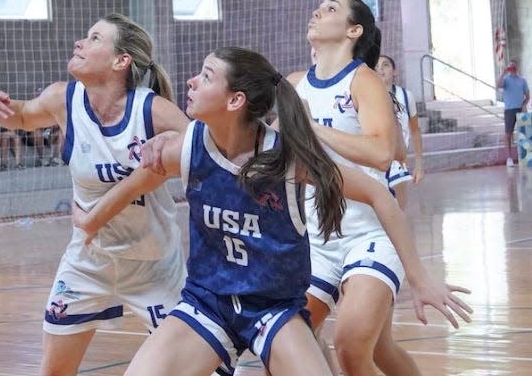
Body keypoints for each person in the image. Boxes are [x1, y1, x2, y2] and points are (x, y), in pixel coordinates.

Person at [72, 46, 472, 376]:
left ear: (235, 100)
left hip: (273, 309)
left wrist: (419, 279)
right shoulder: (186, 148)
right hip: (208, 302)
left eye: (206, 76)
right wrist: (90, 220)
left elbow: (379, 194)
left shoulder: (288, 158)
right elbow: (136, 183)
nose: (191, 81)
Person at [0, 13, 190, 376]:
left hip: (153, 265)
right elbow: (25, 115)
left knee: (201, 366)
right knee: (54, 371)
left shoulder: (152, 109)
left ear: (120, 61)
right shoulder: (64, 98)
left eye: (94, 38)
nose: (80, 42)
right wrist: (0, 109)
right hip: (87, 262)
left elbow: (205, 149)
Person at [287, 0, 471, 376]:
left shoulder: (363, 80)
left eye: (332, 8)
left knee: (353, 346)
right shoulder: (294, 85)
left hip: (368, 233)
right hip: (315, 241)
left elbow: (383, 152)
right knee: (295, 341)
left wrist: (312, 128)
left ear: (354, 30)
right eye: (319, 5)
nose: (317, 10)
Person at [375, 54, 425, 209]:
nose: (380, 69)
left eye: (385, 65)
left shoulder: (405, 96)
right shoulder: (367, 97)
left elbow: (415, 130)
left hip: (397, 163)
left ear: (394, 71)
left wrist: (419, 165)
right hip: (374, 162)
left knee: (398, 213)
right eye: (376, 66)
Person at [497, 59, 529, 167]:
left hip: (520, 109)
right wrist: (503, 72)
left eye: (514, 66)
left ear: (517, 67)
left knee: (525, 133)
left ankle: (526, 157)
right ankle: (509, 158)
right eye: (510, 66)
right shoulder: (505, 79)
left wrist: (524, 104)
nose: (512, 68)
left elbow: (528, 95)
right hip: (509, 110)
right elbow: (498, 85)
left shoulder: (522, 80)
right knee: (508, 135)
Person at [31, 87, 63, 167]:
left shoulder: (51, 106)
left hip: (49, 133)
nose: (39, 97)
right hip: (33, 135)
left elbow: (57, 122)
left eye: (41, 94)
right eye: (37, 95)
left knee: (61, 132)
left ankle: (55, 158)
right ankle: (41, 158)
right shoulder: (31, 106)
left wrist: (54, 125)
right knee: (37, 133)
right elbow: (32, 125)